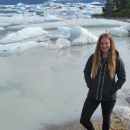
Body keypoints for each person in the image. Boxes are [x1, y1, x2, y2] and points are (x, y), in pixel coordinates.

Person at [80, 33, 126, 130]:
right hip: (93, 94)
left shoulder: (117, 60)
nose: (104, 46)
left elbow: (122, 78)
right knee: (84, 120)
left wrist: (113, 89)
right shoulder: (93, 57)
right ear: (98, 44)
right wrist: (90, 85)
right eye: (101, 43)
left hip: (109, 97)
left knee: (106, 120)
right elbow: (86, 72)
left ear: (110, 44)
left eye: (106, 43)